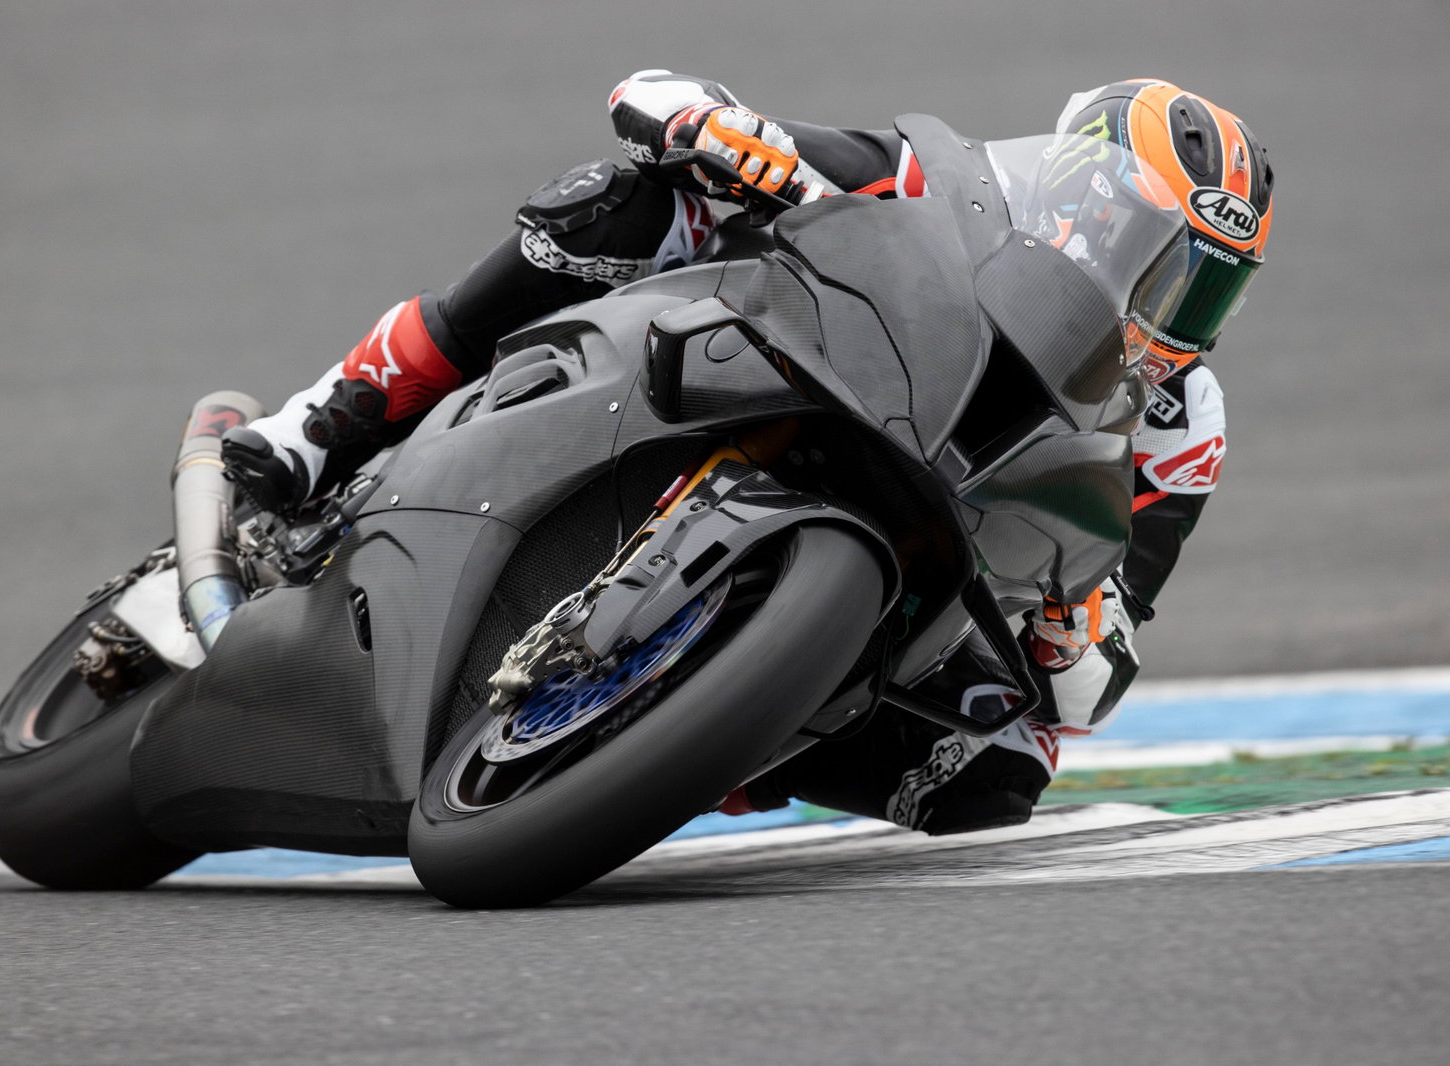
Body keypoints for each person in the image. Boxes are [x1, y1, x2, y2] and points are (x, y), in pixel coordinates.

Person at [221, 72, 1275, 835]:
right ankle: (330, 421)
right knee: (626, 200)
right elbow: (655, 95)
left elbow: (1103, 670)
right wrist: (724, 133)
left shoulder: (1185, 422)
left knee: (995, 781)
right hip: (790, 375)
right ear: (1087, 196)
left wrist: (1078, 615)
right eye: (1161, 255)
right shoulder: (954, 194)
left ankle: (700, 750)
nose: (1171, 303)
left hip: (958, 571)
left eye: (1206, 284)